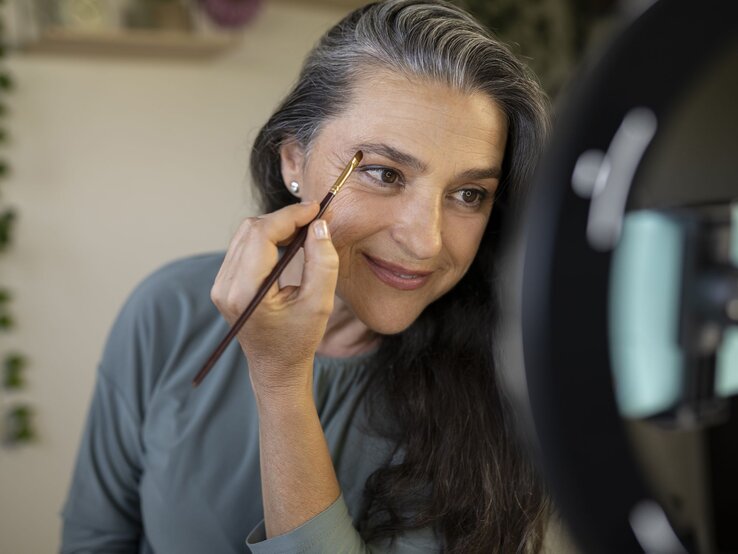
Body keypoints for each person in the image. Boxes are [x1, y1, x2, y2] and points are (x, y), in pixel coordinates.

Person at [60, 1, 551, 552]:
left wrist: (282, 384)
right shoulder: (167, 310)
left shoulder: (507, 390)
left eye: (468, 194)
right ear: (293, 161)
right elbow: (94, 539)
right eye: (385, 173)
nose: (426, 241)